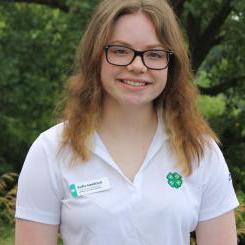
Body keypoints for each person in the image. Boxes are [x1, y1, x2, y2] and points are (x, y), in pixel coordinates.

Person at [15, 0, 239, 244]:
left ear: (171, 65)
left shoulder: (201, 151)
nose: (137, 66)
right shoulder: (51, 150)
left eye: (154, 54)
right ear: (96, 56)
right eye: (120, 51)